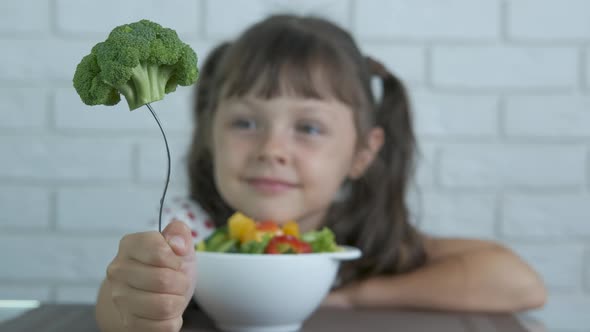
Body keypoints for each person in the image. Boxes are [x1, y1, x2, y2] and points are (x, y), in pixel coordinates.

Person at [95, 14, 546, 332]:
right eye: (245, 123)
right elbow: (120, 305)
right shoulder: (189, 229)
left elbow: (521, 284)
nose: (272, 150)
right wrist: (143, 303)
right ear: (210, 132)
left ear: (361, 154)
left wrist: (354, 297)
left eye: (308, 128)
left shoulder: (365, 240)